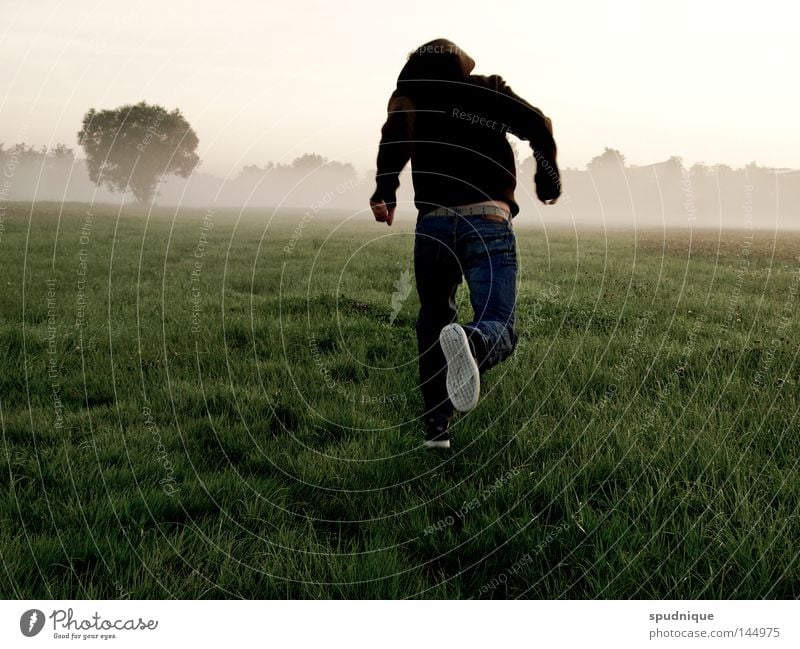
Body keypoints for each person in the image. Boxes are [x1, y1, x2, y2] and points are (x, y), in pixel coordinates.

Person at [370, 38, 560, 449]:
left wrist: (384, 192)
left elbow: (393, 143)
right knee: (498, 323)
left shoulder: (409, 100)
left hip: (434, 224)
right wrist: (548, 180)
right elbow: (538, 125)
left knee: (433, 321)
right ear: (461, 63)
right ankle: (473, 344)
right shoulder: (485, 89)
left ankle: (437, 430)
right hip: (488, 220)